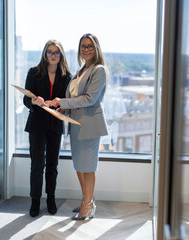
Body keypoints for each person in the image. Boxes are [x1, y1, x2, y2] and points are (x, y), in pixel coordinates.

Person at [49, 33, 108, 220]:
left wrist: (63, 102)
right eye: (83, 46)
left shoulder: (98, 70)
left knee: (88, 167)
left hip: (90, 125)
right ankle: (87, 200)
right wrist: (63, 110)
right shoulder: (81, 70)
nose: (86, 49)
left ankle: (87, 205)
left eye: (90, 46)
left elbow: (90, 99)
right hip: (76, 125)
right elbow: (75, 99)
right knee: (79, 166)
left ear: (96, 48)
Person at [23, 40, 71, 217]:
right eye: (49, 52)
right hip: (37, 124)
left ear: (61, 55)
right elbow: (26, 99)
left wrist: (63, 107)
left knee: (52, 165)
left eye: (56, 52)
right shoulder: (34, 72)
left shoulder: (67, 76)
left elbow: (67, 101)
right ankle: (35, 201)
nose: (52, 55)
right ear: (44, 54)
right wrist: (33, 101)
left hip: (55, 124)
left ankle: (51, 198)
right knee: (37, 165)